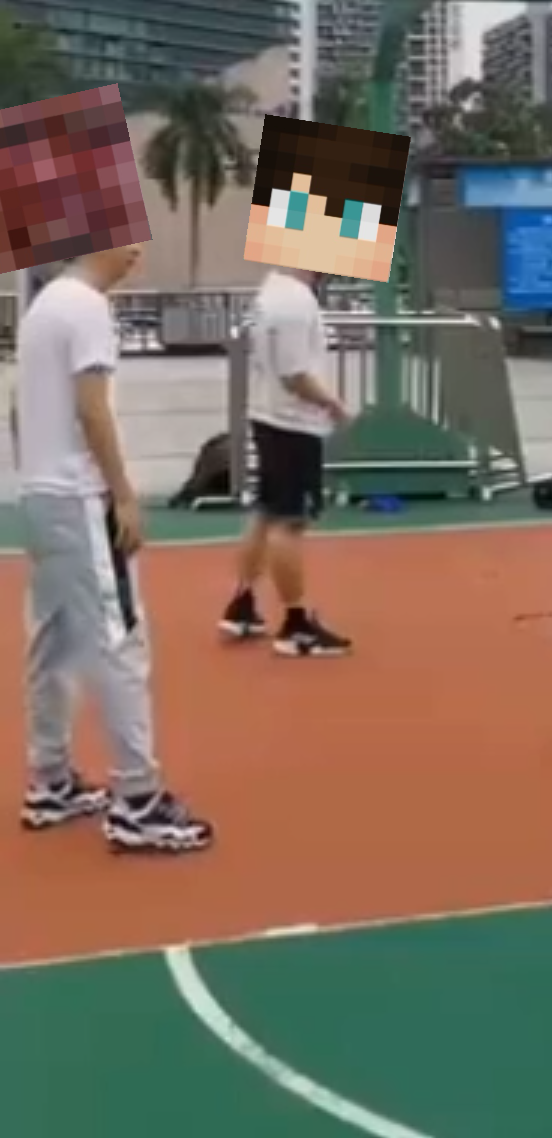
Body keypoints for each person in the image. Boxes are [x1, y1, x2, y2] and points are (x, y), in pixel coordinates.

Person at [17, 244, 213, 854]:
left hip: (42, 495)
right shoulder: (86, 308)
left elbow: (22, 409)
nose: (136, 251)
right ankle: (138, 798)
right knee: (119, 640)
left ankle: (50, 780)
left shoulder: (43, 305)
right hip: (78, 497)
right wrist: (123, 494)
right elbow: (93, 410)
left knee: (52, 641)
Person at [219, 262, 353, 656]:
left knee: (267, 512)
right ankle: (296, 624)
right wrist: (332, 404)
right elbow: (295, 375)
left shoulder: (271, 290)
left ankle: (242, 603)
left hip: (270, 415)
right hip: (293, 423)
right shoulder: (294, 301)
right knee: (289, 522)